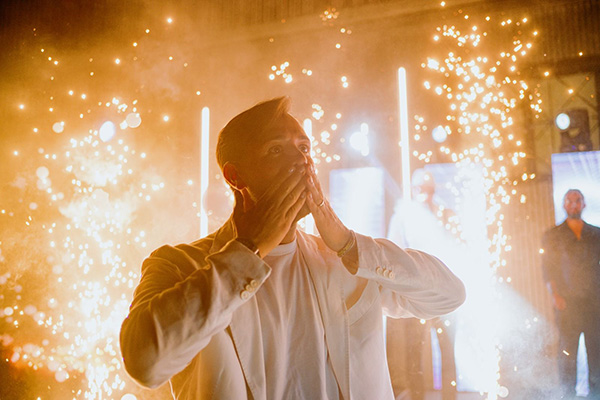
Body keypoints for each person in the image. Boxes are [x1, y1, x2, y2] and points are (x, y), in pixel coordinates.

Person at [119, 97, 466, 400]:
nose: (301, 161)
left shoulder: (344, 260)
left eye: (304, 148)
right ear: (235, 177)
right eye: (276, 149)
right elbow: (144, 362)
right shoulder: (180, 264)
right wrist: (247, 249)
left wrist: (348, 243)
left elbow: (449, 295)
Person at [387, 169, 463, 400]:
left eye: (429, 189)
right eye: (422, 189)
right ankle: (418, 396)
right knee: (414, 353)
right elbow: (393, 252)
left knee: (447, 350)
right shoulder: (403, 217)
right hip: (416, 295)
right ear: (413, 190)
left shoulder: (445, 215)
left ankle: (449, 397)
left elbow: (458, 248)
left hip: (443, 293)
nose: (426, 194)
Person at [541, 189, 600, 399]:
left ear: (584, 204)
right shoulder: (552, 235)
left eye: (577, 200)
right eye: (570, 201)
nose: (574, 204)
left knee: (596, 352)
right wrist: (555, 296)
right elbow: (548, 269)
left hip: (594, 303)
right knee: (567, 353)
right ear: (564, 205)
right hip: (567, 304)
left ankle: (596, 394)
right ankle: (568, 395)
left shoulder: (596, 234)